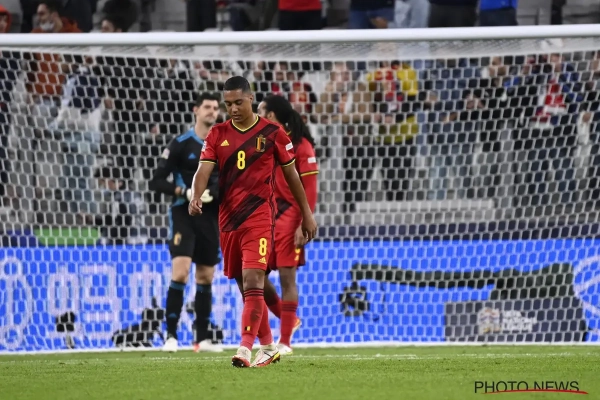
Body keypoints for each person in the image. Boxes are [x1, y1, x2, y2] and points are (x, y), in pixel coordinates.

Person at [189, 76, 317, 368]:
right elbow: (203, 170)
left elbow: (292, 175)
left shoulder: (273, 133)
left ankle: (245, 348)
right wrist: (196, 195)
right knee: (245, 286)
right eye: (228, 104)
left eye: (238, 102)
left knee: (253, 280)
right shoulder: (217, 134)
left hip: (260, 217)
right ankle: (268, 346)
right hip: (228, 220)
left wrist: (307, 214)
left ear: (250, 98)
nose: (233, 109)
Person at [149, 93, 223, 353]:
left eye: (216, 108)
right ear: (196, 110)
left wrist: (214, 192)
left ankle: (201, 338)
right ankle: (170, 336)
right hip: (183, 213)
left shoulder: (222, 145)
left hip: (210, 216)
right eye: (207, 107)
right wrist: (184, 192)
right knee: (180, 272)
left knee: (206, 275)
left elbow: (228, 179)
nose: (212, 111)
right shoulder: (181, 143)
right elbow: (156, 181)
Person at [257, 95, 319, 355]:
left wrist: (304, 222)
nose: (256, 114)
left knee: (286, 276)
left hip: (291, 216)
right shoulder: (263, 142)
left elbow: (310, 189)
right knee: (255, 276)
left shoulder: (302, 146)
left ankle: (284, 342)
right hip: (266, 216)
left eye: (260, 110)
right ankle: (287, 319)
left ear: (271, 115)